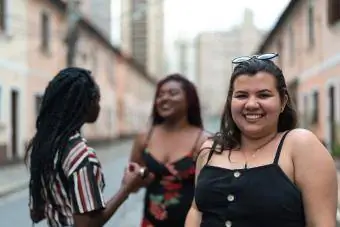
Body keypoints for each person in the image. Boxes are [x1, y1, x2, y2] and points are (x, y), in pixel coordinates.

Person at [185, 53, 338, 227]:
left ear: (283, 102)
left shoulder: (300, 146)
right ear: (230, 102)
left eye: (263, 95)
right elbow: (196, 211)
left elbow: (322, 223)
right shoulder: (210, 149)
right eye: (241, 95)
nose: (251, 104)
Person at [25, 67, 153, 227]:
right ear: (87, 104)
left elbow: (36, 213)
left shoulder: (45, 146)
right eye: (98, 99)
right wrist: (126, 188)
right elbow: (87, 225)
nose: (99, 106)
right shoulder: (81, 156)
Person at [129, 73, 210, 227]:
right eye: (160, 95)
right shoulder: (144, 138)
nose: (164, 98)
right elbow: (131, 186)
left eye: (173, 93)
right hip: (150, 222)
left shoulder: (204, 141)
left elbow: (213, 194)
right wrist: (139, 178)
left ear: (189, 100)